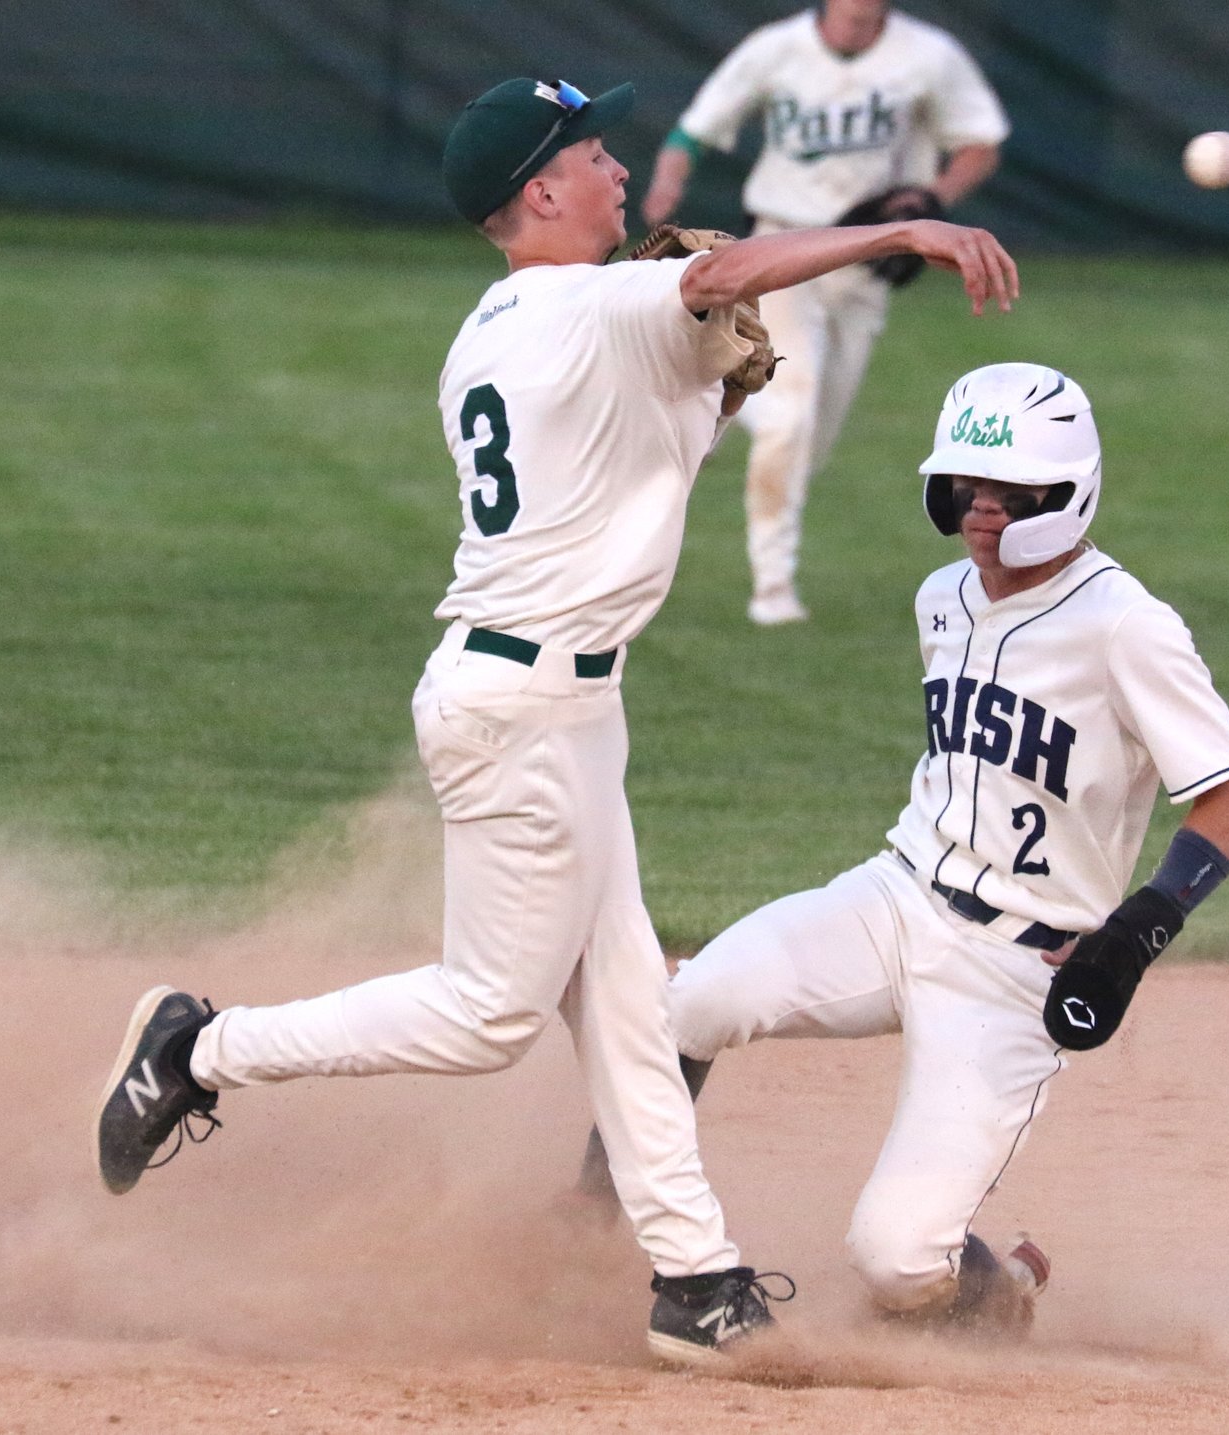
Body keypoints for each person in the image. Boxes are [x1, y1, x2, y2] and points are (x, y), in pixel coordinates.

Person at [93, 77, 1020, 1366]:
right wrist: (899, 234)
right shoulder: (589, 304)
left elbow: (643, 451)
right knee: (487, 1015)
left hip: (563, 706)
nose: (620, 172)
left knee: (630, 997)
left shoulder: (508, 332)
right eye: (593, 153)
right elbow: (729, 272)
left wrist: (719, 382)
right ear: (539, 190)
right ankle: (199, 1050)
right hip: (519, 707)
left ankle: (697, 1280)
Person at [573, 361, 1229, 1334]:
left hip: (1015, 972)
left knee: (897, 1263)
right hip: (898, 895)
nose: (981, 512)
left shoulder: (1128, 628)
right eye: (965, 489)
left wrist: (1141, 927)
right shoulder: (943, 596)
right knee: (691, 999)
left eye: (1009, 493)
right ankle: (585, 1217)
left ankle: (998, 1293)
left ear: (1067, 494)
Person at [641, 0, 1011, 626]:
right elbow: (694, 130)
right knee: (793, 412)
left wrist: (931, 198)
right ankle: (773, 586)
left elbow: (981, 142)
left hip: (867, 264)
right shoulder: (778, 47)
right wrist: (667, 182)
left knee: (812, 434)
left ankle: (722, 397)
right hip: (782, 250)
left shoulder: (928, 55)